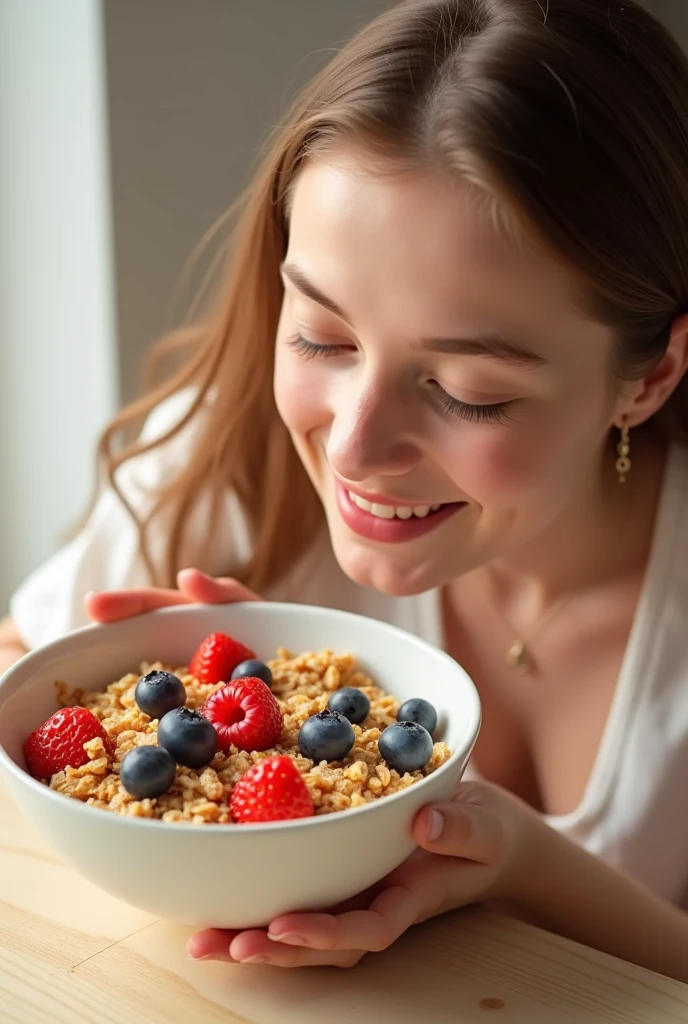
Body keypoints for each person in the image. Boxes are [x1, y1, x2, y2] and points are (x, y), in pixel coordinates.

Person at [3, 0, 688, 978]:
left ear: (648, 376)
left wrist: (522, 863)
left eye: (467, 390)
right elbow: (24, 676)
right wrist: (176, 711)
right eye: (321, 336)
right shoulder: (231, 471)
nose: (357, 446)